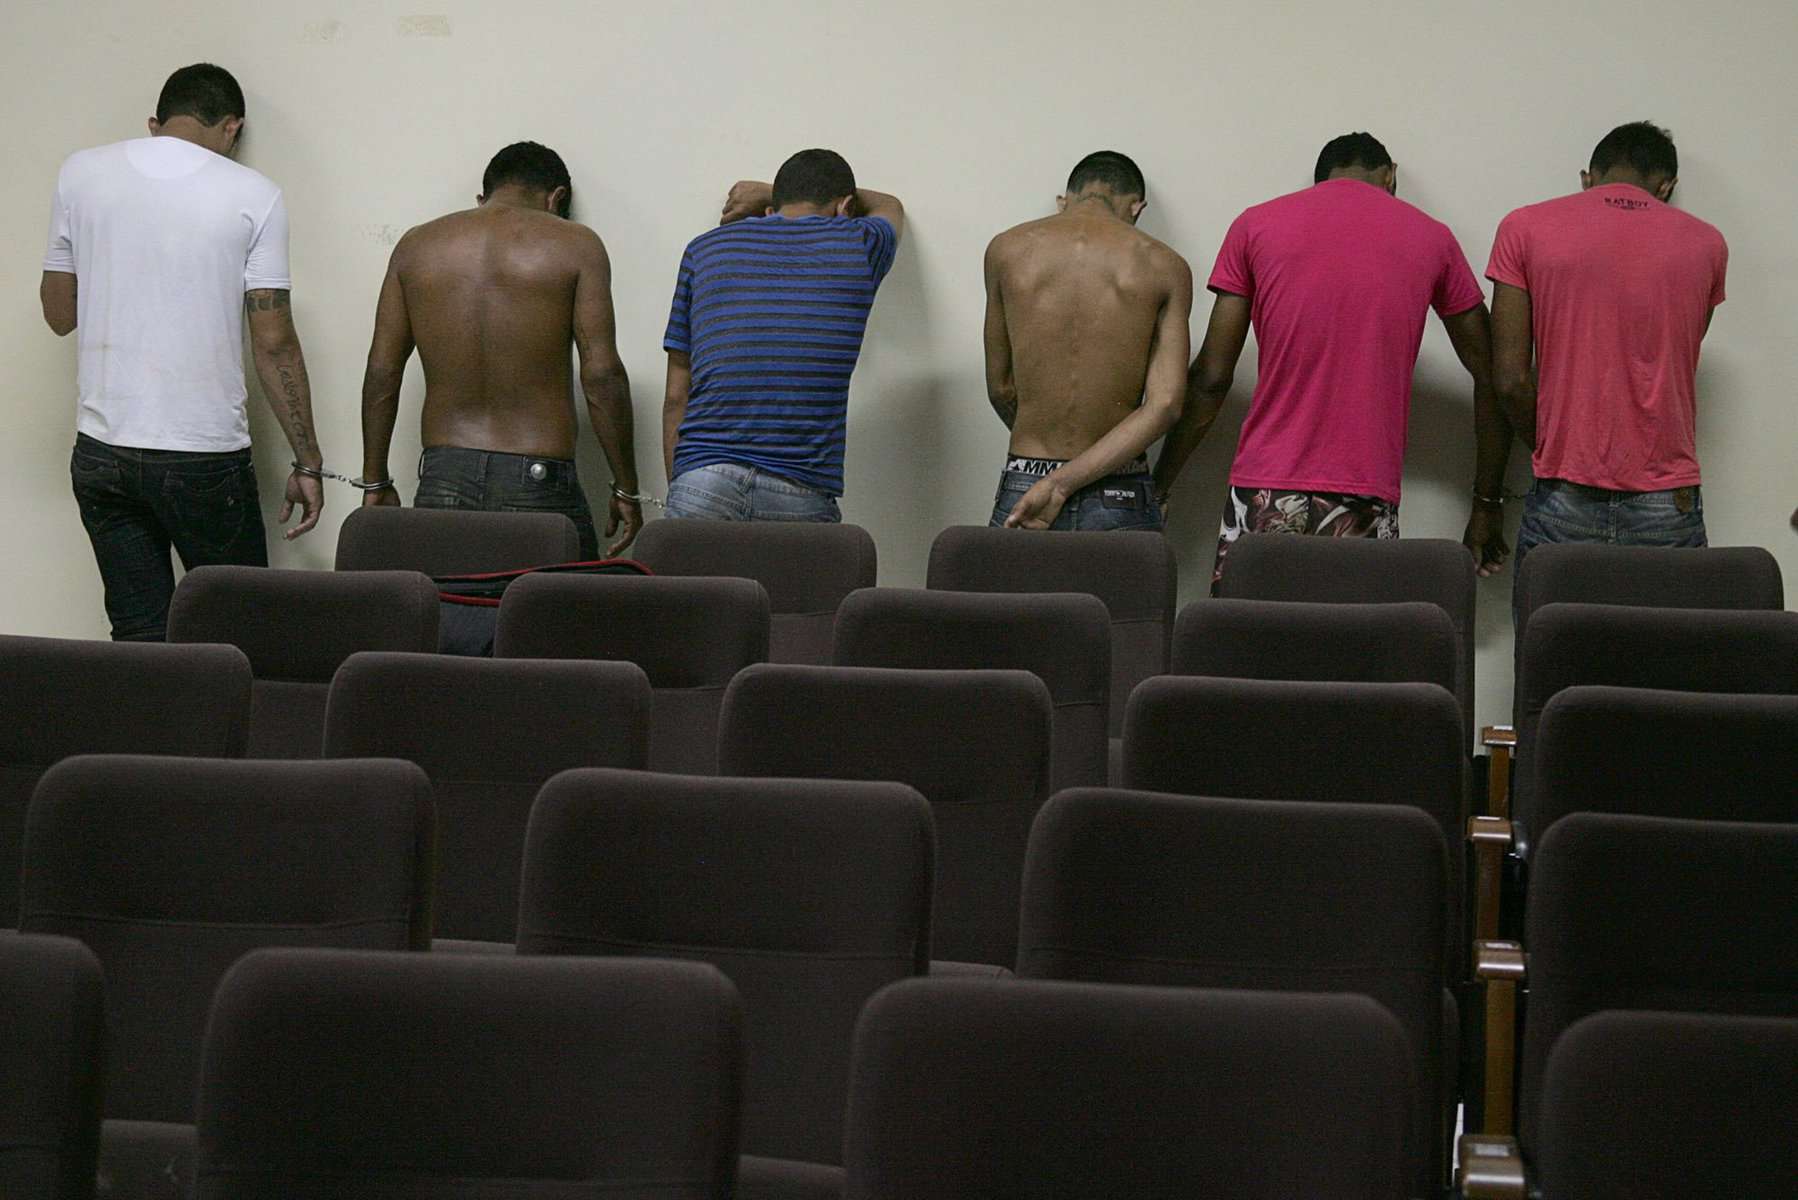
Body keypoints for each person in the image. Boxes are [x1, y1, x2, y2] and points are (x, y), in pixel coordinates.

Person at [40, 62, 324, 642]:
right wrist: (307, 461)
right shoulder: (255, 194)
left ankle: (144, 736)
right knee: (237, 632)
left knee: (140, 633)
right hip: (203, 455)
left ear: (155, 122)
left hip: (103, 450)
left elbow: (59, 315)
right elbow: (274, 344)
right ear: (232, 129)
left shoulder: (80, 173)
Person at [1152, 132, 1509, 589]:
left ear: (1321, 179)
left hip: (1265, 488)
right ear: (1390, 175)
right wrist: (1486, 503)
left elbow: (1211, 377)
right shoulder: (1432, 237)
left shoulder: (1255, 225)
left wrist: (1160, 484)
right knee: (1348, 651)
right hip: (1363, 496)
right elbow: (1495, 372)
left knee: (1241, 646)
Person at [1487, 121, 1727, 610]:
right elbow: (1681, 349)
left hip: (1563, 493)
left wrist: (1556, 442)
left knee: (1549, 667)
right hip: (1668, 500)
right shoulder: (1708, 245)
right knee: (1665, 679)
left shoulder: (1524, 227)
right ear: (1667, 187)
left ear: (1587, 178)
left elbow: (1509, 379)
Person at [358, 142, 641, 558]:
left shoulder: (416, 245)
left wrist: (374, 481)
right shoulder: (577, 245)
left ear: (482, 196)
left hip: (443, 476)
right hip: (539, 480)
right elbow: (601, 376)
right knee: (562, 620)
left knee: (449, 616)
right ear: (556, 198)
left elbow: (382, 371)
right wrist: (625, 486)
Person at [661, 149, 903, 521]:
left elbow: (677, 393)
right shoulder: (859, 243)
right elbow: (890, 205)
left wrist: (681, 484)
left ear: (771, 210)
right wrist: (767, 190)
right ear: (846, 208)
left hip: (702, 479)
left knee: (695, 582)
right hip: (800, 488)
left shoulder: (703, 250)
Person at [984, 151, 1193, 531]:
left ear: (1063, 200)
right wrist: (1068, 480)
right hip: (1119, 485)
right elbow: (1165, 404)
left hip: (1026, 482)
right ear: (1136, 208)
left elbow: (1000, 388)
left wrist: (1048, 470)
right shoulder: (1165, 265)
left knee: (1010, 593)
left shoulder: (1006, 250)